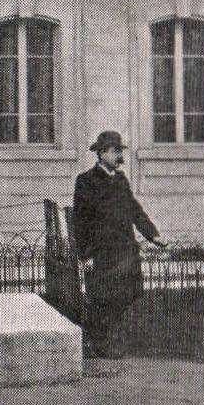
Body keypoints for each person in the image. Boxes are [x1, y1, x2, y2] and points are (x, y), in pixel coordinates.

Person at [72, 130, 166, 359]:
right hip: (102, 252)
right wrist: (86, 254)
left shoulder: (121, 180)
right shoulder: (86, 181)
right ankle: (99, 341)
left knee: (131, 292)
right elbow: (80, 221)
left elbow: (135, 209)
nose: (119, 157)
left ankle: (102, 335)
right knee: (104, 297)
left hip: (125, 250)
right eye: (115, 152)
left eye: (119, 151)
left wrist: (152, 234)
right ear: (102, 153)